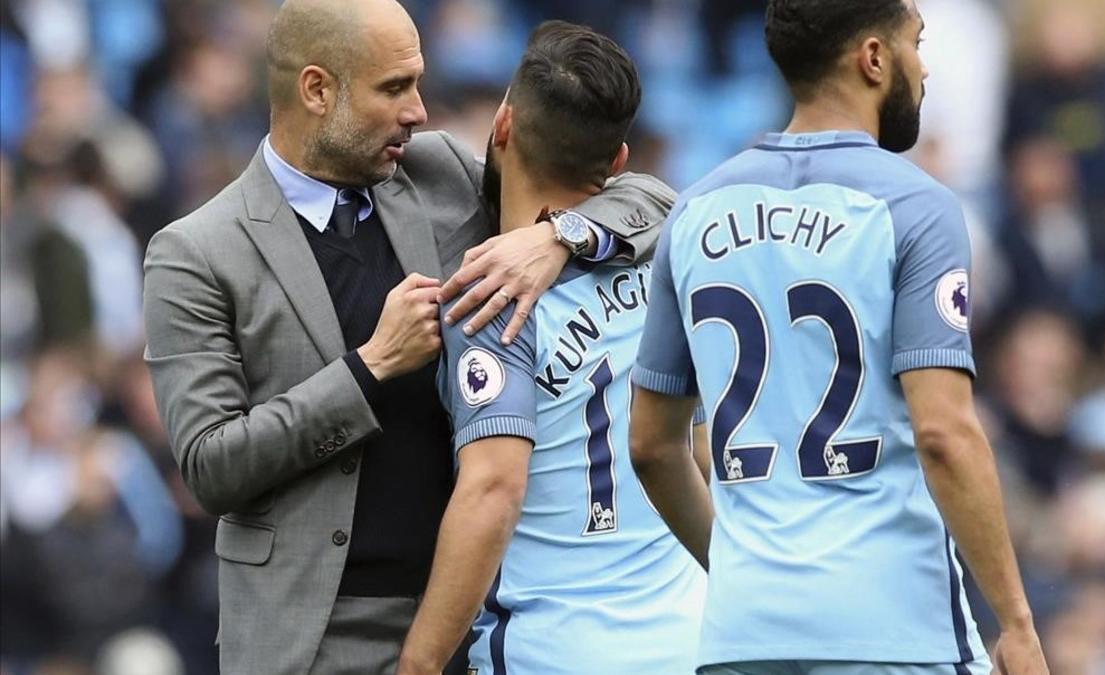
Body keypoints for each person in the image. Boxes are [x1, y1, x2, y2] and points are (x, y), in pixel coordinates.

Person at [141, 0, 672, 673]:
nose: (418, 110)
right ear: (316, 89)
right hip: (310, 632)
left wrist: (555, 236)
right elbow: (211, 466)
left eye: (417, 83)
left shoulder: (439, 170)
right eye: (394, 88)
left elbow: (648, 199)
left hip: (461, 615)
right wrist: (368, 368)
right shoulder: (196, 252)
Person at [628, 1, 1050, 674]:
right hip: (892, 628)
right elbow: (944, 433)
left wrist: (742, 570)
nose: (927, 67)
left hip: (744, 631)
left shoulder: (695, 209)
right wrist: (1019, 621)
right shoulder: (917, 207)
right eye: (917, 43)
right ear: (874, 59)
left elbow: (651, 444)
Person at [395, 21, 706, 675]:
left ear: (501, 126)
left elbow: (492, 490)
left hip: (554, 650)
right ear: (617, 162)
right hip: (690, 640)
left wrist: (419, 664)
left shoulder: (490, 295)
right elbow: (702, 452)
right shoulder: (665, 267)